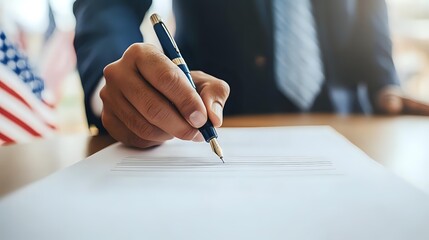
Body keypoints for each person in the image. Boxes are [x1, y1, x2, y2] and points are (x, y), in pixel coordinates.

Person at [73, 0, 427, 148]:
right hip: (210, 124)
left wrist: (385, 83)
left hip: (352, 129)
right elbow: (109, 5)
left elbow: (367, 10)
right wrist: (116, 82)